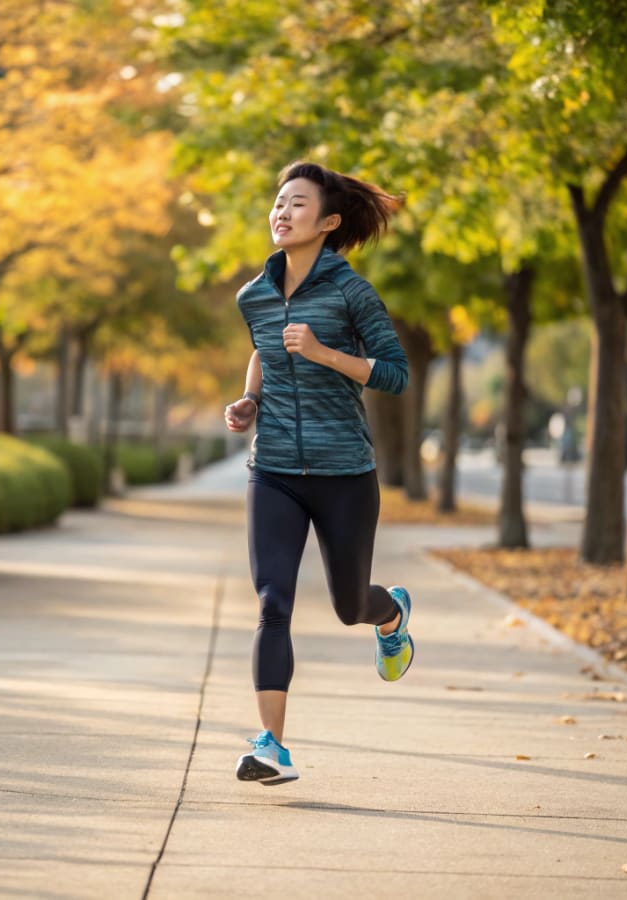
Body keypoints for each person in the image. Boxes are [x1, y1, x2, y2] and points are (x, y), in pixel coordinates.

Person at [223, 160, 412, 786]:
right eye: (279, 201)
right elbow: (262, 349)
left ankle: (388, 617)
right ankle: (272, 745)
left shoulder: (351, 292)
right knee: (272, 602)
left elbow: (394, 373)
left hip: (344, 473)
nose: (282, 212)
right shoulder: (254, 294)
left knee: (347, 604)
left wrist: (328, 354)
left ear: (328, 222)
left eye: (297, 204)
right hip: (272, 467)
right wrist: (249, 400)